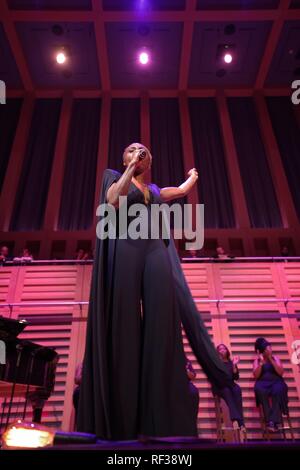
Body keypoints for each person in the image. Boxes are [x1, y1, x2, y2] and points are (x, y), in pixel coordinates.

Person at [77, 142, 231, 440]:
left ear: (150, 162)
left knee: (162, 315)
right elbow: (112, 202)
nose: (139, 151)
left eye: (144, 150)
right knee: (126, 319)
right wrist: (129, 168)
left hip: (153, 249)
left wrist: (193, 178)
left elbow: (180, 191)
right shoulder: (113, 176)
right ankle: (122, 415)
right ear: (126, 157)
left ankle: (160, 411)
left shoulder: (155, 191)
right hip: (126, 246)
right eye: (133, 149)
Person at [253, 337, 288, 432]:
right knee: (259, 390)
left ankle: (271, 421)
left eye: (270, 348)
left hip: (276, 381)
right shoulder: (257, 361)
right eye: (267, 349)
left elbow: (281, 373)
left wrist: (270, 360)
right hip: (262, 382)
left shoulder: (275, 358)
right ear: (262, 351)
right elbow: (256, 376)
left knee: (278, 390)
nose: (270, 350)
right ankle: (272, 421)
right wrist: (261, 363)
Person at [213, 344, 245, 431]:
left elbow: (236, 377)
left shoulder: (231, 363)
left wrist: (234, 365)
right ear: (217, 352)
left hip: (230, 385)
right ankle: (238, 421)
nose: (222, 350)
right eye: (220, 349)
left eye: (224, 349)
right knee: (227, 391)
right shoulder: (216, 363)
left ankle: (239, 421)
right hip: (220, 386)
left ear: (227, 351)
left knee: (237, 389)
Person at [185, 359, 199, 436]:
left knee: (194, 391)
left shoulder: (186, 361)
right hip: (173, 384)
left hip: (186, 384)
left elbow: (193, 376)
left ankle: (193, 423)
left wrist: (186, 371)